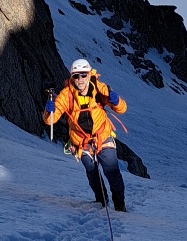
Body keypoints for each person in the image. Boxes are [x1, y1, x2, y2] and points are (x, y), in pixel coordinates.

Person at [44, 59, 128, 212]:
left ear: (89, 75)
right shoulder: (66, 95)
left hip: (103, 137)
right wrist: (49, 110)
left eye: (83, 75)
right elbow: (50, 120)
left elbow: (122, 109)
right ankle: (101, 201)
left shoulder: (99, 89)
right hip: (81, 143)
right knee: (93, 174)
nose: (80, 79)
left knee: (112, 172)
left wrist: (116, 101)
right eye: (76, 76)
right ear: (72, 77)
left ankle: (119, 204)